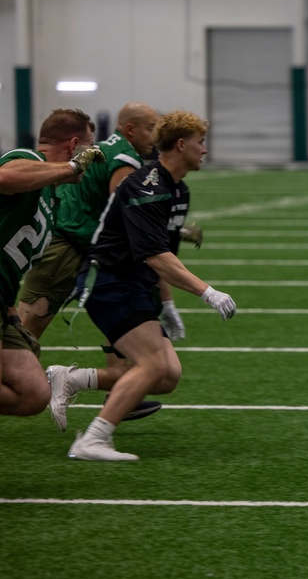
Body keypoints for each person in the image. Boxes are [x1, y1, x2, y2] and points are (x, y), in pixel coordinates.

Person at [56, 110, 237, 461]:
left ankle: (72, 380)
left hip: (134, 285)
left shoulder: (178, 190)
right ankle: (92, 440)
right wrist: (206, 291)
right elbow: (155, 255)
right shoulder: (147, 185)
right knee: (152, 364)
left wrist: (166, 306)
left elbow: (164, 253)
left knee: (168, 375)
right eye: (200, 142)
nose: (204, 150)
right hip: (108, 282)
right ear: (181, 144)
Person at [25, 102, 199, 429]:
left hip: (89, 245)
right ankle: (36, 389)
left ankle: (116, 394)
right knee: (25, 330)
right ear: (130, 129)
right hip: (74, 245)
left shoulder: (115, 150)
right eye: (150, 128)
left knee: (127, 338)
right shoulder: (126, 157)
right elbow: (129, 212)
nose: (155, 135)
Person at [0, 109, 104, 417]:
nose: (93, 155)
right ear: (74, 145)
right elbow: (4, 177)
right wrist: (72, 167)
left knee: (32, 395)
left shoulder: (50, 196)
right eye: (90, 146)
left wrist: (13, 317)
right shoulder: (27, 158)